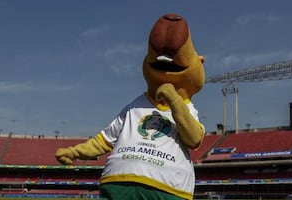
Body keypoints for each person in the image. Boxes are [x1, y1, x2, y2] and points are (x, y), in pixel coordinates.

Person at [55, 13, 206, 200]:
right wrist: (74, 151)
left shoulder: (186, 109)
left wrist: (174, 100)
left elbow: (194, 138)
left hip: (166, 188)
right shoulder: (134, 107)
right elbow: (104, 140)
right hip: (118, 182)